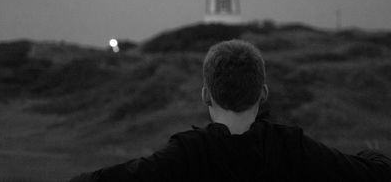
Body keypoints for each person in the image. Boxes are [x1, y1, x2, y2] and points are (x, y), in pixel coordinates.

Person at [69, 40, 391, 182]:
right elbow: (377, 172)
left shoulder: (187, 154)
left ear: (206, 94)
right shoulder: (291, 147)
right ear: (263, 93)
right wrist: (368, 154)